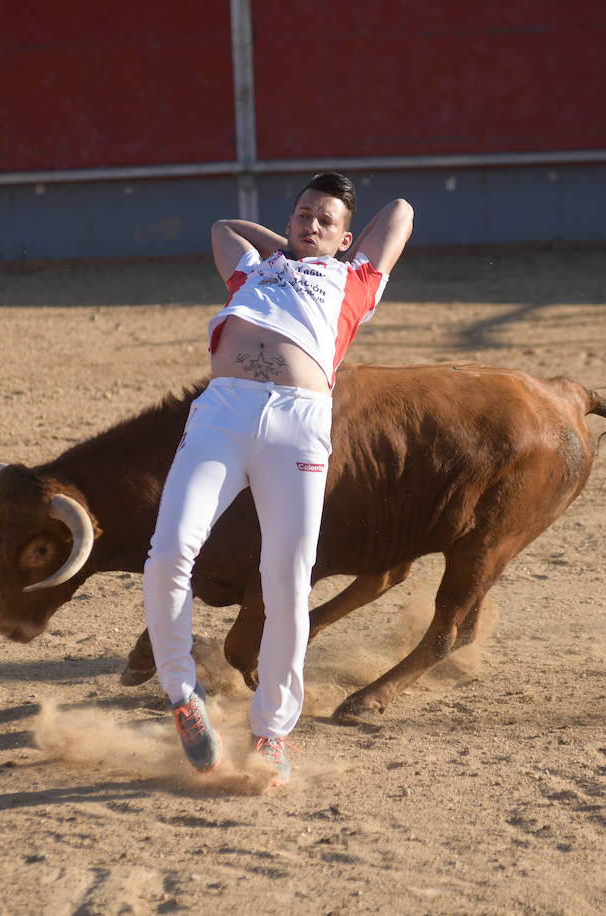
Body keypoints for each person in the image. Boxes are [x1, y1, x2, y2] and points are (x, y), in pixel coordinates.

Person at [142, 172, 413, 785]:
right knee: (167, 553)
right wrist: (281, 250)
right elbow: (221, 229)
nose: (309, 223)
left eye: (324, 219)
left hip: (299, 422)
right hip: (223, 413)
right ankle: (184, 696)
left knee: (287, 579)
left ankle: (271, 733)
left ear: (347, 239)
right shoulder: (253, 270)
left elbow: (399, 209)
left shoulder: (357, 280)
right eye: (301, 215)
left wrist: (322, 248)